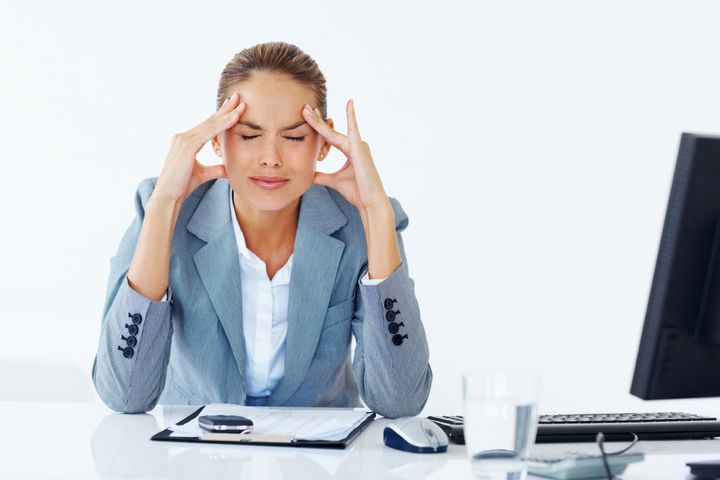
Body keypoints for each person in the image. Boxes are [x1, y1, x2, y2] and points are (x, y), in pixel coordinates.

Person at [91, 41, 432, 418]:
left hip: (319, 452)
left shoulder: (358, 221)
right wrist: (164, 207)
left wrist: (376, 213)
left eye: (295, 137)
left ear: (323, 142)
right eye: (249, 135)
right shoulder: (165, 209)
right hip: (193, 448)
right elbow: (124, 396)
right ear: (217, 138)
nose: (271, 158)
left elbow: (401, 400)